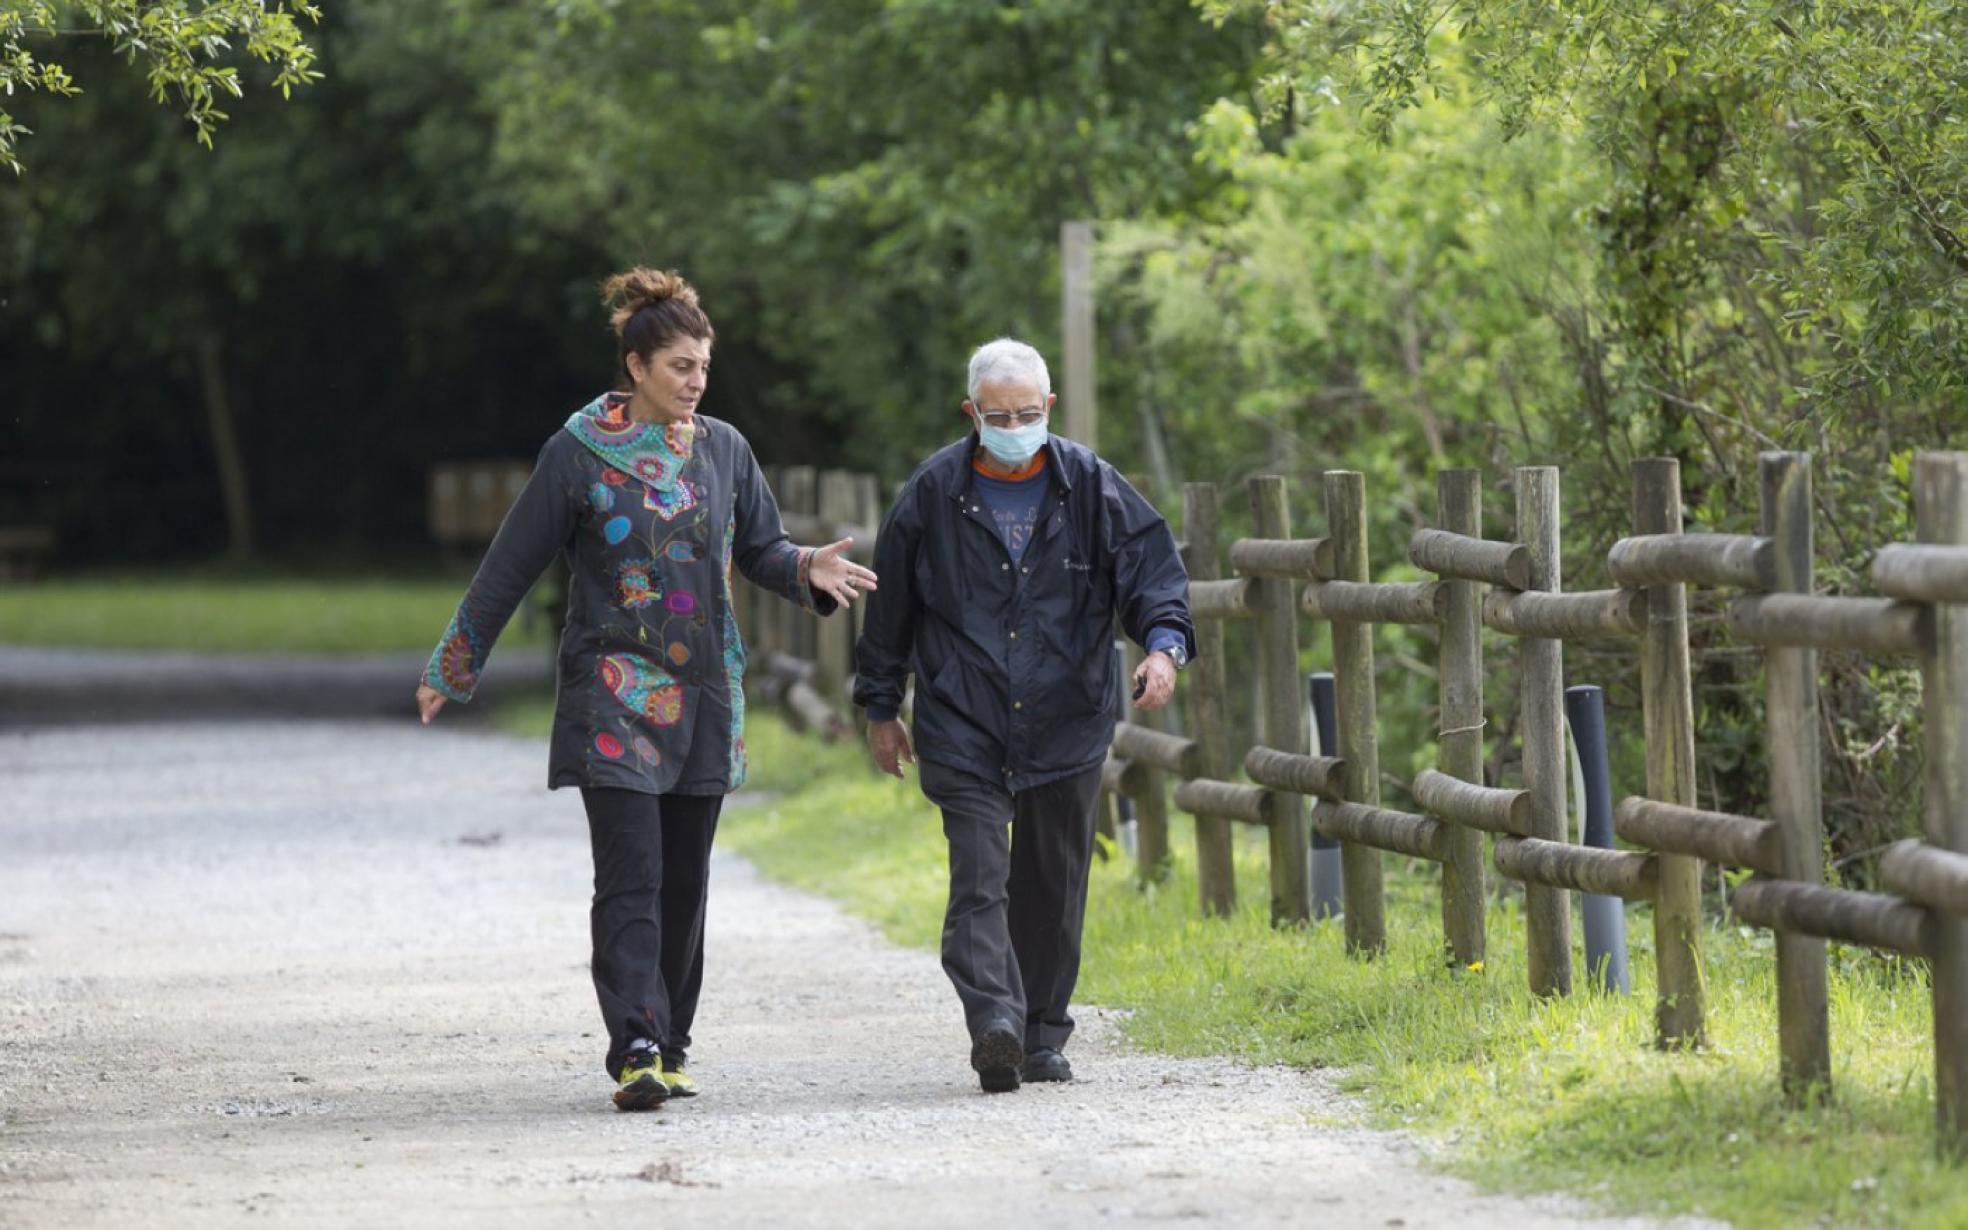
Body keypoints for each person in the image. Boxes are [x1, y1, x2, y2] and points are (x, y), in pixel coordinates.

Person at [414, 268, 877, 1112]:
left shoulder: (725, 450)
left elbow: (762, 550)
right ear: (635, 365)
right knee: (632, 875)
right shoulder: (577, 453)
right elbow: (512, 562)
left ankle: (673, 1041)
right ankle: (634, 1045)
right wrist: (457, 660)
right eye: (679, 366)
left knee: (686, 883)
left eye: (703, 365)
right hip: (614, 698)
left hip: (703, 693)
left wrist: (809, 567)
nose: (696, 381)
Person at [852, 337, 1193, 1093]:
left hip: (1067, 715)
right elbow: (891, 612)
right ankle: (995, 1025)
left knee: (1052, 881)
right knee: (980, 873)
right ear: (972, 412)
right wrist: (880, 705)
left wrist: (1163, 649)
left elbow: (1153, 574)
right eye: (999, 415)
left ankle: (1043, 1036)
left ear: (1051, 409)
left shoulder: (1093, 488)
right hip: (962, 716)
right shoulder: (933, 494)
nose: (1014, 426)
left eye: (1028, 413)